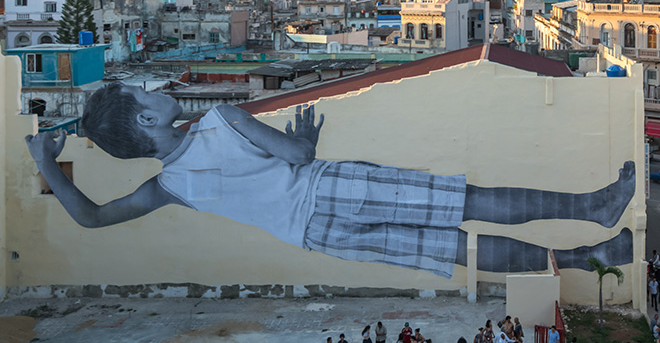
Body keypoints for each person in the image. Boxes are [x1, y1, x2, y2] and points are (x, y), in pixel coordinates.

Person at [25, 84, 637, 279]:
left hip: (317, 234)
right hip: (331, 188)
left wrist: (47, 162)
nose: (154, 91)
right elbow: (293, 155)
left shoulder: (169, 187)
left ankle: (592, 254)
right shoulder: (220, 119)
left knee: (460, 248)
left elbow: (94, 217)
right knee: (465, 202)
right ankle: (592, 205)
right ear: (145, 117)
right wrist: (308, 142)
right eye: (142, 94)